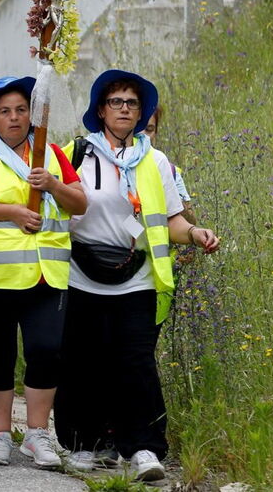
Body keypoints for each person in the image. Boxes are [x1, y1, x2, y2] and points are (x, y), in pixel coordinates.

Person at [54, 70, 219, 481]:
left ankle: (143, 448)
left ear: (142, 112)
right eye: (116, 102)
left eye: (132, 103)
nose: (124, 109)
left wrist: (195, 234)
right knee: (83, 361)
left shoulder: (155, 160)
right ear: (100, 110)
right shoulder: (74, 154)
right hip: (81, 275)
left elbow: (173, 220)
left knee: (136, 364)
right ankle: (84, 444)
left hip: (138, 279)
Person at [0, 75, 87, 469]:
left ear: (33, 115)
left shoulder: (51, 156)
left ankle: (37, 434)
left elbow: (79, 204)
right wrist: (12, 211)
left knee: (46, 351)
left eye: (21, 110)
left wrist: (54, 185)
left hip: (47, 275)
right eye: (5, 112)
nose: (14, 118)